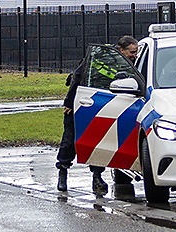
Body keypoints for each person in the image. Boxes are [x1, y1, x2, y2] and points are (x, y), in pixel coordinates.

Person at [56, 35, 140, 196]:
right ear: (121, 50)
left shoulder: (130, 63)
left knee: (97, 143)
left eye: (135, 52)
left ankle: (97, 177)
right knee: (69, 140)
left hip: (109, 105)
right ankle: (62, 173)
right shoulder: (100, 57)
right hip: (86, 103)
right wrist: (69, 102)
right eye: (132, 52)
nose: (134, 55)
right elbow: (78, 77)